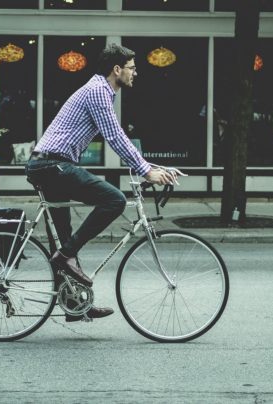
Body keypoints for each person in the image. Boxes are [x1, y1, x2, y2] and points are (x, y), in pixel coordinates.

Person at [25, 43, 175, 322]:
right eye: (131, 67)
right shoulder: (98, 92)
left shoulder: (101, 91)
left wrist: (154, 168)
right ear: (116, 69)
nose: (135, 72)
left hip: (50, 164)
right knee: (114, 200)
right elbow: (115, 136)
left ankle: (73, 303)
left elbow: (116, 138)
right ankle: (65, 257)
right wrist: (145, 170)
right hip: (52, 165)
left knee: (64, 236)